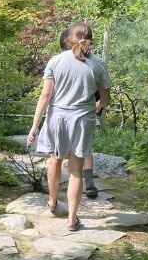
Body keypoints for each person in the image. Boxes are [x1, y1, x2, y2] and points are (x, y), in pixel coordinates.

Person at [27, 23, 110, 231]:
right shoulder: (99, 64)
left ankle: (53, 202)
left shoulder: (56, 61)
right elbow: (105, 98)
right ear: (90, 39)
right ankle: (72, 220)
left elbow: (45, 96)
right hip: (83, 120)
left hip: (58, 118)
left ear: (68, 39)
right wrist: (96, 108)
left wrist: (34, 126)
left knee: (54, 160)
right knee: (76, 171)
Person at [58, 27, 102, 199]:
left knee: (67, 150)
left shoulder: (61, 61)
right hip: (89, 107)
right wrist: (98, 107)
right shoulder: (96, 62)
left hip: (69, 109)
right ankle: (89, 183)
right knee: (85, 147)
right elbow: (103, 91)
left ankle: (67, 189)